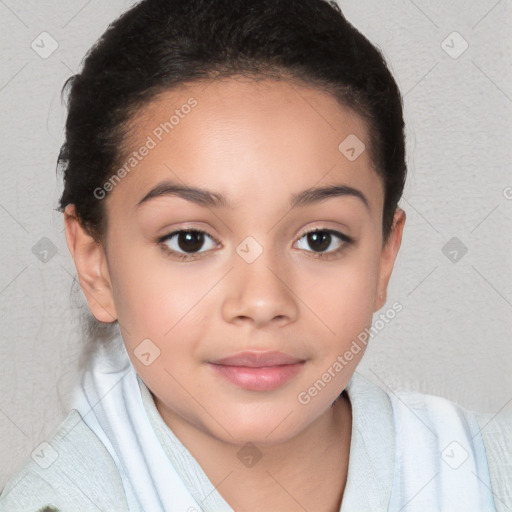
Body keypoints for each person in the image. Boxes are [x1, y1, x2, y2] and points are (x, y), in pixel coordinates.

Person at [0, 0, 510, 510]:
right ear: (96, 266)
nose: (263, 302)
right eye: (190, 240)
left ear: (383, 258)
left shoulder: (487, 472)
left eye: (319, 239)